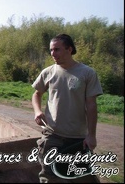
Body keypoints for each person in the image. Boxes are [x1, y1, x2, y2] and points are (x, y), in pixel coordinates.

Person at [31, 33, 103, 183]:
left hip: (77, 138)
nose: (53, 53)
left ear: (69, 49)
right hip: (52, 135)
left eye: (57, 49)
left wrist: (92, 135)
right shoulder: (48, 72)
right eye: (51, 50)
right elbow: (36, 94)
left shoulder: (87, 73)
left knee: (81, 177)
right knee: (49, 176)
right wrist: (37, 111)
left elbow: (91, 106)